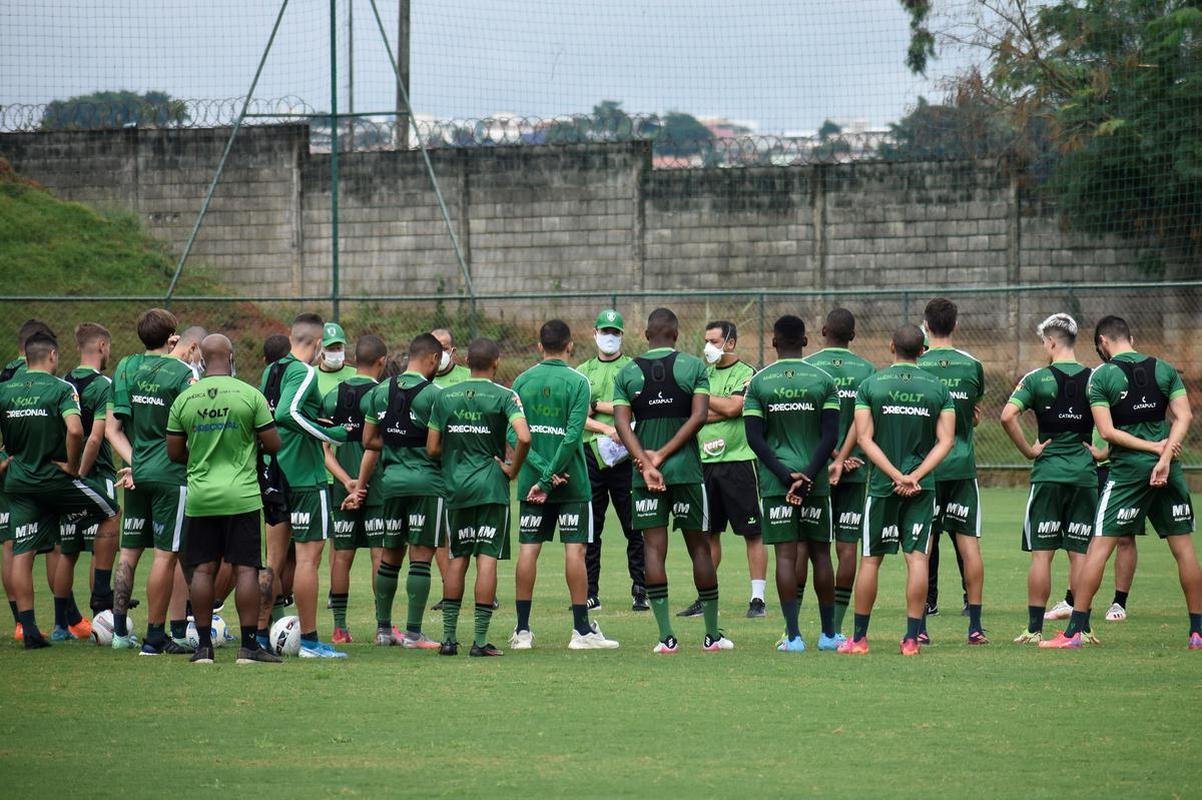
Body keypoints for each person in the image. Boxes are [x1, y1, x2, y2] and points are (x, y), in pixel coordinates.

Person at [1042, 316, 1200, 649]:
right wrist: (1165, 455)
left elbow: (1110, 432)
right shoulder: (1164, 369)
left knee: (1099, 548)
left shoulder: (1102, 376)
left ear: (1102, 341)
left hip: (1127, 474)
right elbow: (1184, 416)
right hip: (1169, 470)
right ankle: (1197, 633)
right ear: (1131, 336)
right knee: (1185, 552)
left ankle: (1074, 633)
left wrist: (1154, 450)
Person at [613, 308, 733, 654]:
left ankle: (666, 637)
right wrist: (663, 455)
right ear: (677, 335)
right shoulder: (693, 367)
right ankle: (712, 636)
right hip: (686, 473)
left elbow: (622, 425)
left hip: (644, 475)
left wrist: (645, 460)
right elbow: (698, 416)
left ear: (646, 335)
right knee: (700, 547)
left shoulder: (627, 373)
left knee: (653, 548)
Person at [166, 334, 284, 664]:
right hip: (242, 497)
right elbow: (273, 444)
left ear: (201, 360)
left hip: (201, 497)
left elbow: (174, 452)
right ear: (231, 357)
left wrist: (201, 455)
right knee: (246, 570)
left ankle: (203, 647)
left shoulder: (186, 399)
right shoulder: (249, 395)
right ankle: (248, 647)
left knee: (202, 571)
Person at [838, 324, 955, 656]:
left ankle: (859, 639)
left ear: (891, 347)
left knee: (871, 561)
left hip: (880, 486)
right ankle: (910, 640)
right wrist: (914, 475)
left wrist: (894, 476)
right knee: (917, 558)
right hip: (922, 486)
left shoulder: (871, 385)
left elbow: (863, 439)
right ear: (923, 351)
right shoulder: (937, 388)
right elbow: (946, 441)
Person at [0, 332, 119, 649]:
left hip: (18, 483)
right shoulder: (60, 388)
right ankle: (102, 598)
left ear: (25, 357)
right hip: (52, 479)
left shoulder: (5, 390)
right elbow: (76, 429)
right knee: (110, 513)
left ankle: (28, 630)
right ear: (52, 355)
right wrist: (71, 463)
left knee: (22, 554)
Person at [509, 320, 619, 650]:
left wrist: (541, 474)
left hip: (532, 480)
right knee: (576, 550)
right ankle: (581, 631)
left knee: (529, 550)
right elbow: (573, 435)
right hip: (570, 480)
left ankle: (523, 631)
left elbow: (514, 434)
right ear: (570, 345)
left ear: (539, 346)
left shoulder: (521, 381)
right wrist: (551, 475)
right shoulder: (578, 381)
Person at [427, 338, 530, 657]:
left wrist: (457, 451)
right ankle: (480, 641)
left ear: (467, 361)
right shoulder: (505, 396)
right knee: (486, 560)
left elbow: (432, 447)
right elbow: (524, 436)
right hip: (490, 487)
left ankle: (447, 639)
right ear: (497, 362)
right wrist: (512, 470)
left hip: (456, 486)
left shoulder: (444, 396)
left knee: (457, 559)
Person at [1001, 313, 1100, 645]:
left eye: (1044, 341)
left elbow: (1007, 415)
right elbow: (1118, 421)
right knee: (1080, 553)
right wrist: (1102, 451)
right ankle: (1080, 628)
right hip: (1085, 475)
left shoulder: (1037, 379)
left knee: (1042, 553)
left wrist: (1030, 450)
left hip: (1048, 475)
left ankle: (1033, 629)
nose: (1043, 346)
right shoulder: (1096, 379)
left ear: (1052, 342)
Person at [743, 315, 841, 652]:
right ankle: (829, 635)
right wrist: (810, 475)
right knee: (821, 555)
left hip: (776, 484)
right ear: (805, 341)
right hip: (815, 482)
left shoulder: (759, 382)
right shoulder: (823, 380)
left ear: (773, 342)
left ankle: (794, 637)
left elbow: (754, 439)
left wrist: (786, 477)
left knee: (786, 557)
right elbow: (831, 436)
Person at [255, 312, 350, 659]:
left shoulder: (272, 369)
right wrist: (331, 434)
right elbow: (286, 413)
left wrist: (315, 418)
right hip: (305, 479)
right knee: (309, 560)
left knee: (273, 560)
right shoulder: (305, 371)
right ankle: (309, 641)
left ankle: (260, 636)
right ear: (318, 342)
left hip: (273, 475)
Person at [105, 309, 198, 654]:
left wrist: (137, 463)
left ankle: (118, 633)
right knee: (166, 556)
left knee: (128, 552)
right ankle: (155, 639)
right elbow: (195, 429)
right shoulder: (183, 373)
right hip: (172, 476)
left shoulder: (125, 367)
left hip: (139, 474)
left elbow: (112, 429)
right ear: (173, 336)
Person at [355, 333, 446, 648]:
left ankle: (383, 630)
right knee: (421, 558)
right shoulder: (436, 395)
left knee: (390, 557)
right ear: (433, 359)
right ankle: (413, 633)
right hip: (426, 483)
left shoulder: (379, 392)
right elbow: (436, 448)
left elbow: (368, 440)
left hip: (391, 484)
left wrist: (397, 441)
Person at [917, 298, 988, 644]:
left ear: (926, 326)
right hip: (961, 467)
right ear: (955, 325)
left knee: (923, 546)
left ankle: (920, 629)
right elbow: (972, 410)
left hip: (925, 468)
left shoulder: (916, 365)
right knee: (969, 544)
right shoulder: (971, 366)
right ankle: (974, 626)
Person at [684, 320, 765, 620]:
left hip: (739, 462)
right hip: (704, 463)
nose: (708, 347)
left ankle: (757, 599)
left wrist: (705, 408)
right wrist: (711, 410)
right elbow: (692, 414)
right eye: (706, 340)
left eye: (714, 341)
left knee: (752, 533)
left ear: (730, 342)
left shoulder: (747, 373)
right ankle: (705, 597)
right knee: (708, 534)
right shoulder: (701, 374)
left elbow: (734, 408)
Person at [804, 308, 876, 639]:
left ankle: (796, 631)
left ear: (822, 331)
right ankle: (834, 629)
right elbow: (868, 424)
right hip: (856, 468)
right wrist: (845, 457)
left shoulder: (808, 368)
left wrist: (832, 455)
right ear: (853, 335)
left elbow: (807, 419)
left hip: (816, 469)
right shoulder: (868, 372)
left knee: (809, 547)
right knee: (847, 548)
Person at [54, 322, 122, 638]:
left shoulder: (63, 383)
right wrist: (79, 473)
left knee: (66, 548)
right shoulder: (103, 385)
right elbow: (95, 438)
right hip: (95, 475)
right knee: (103, 542)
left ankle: (60, 624)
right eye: (107, 347)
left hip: (64, 476)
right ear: (100, 346)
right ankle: (101, 610)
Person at [577, 310, 646, 611]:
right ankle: (590, 591)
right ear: (594, 333)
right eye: (604, 331)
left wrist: (597, 406)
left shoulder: (633, 369)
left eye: (615, 332)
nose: (609, 337)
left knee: (634, 526)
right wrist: (608, 425)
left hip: (624, 456)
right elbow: (577, 415)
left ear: (622, 335)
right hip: (591, 454)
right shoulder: (581, 371)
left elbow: (638, 407)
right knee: (592, 527)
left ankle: (641, 589)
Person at [322, 335, 387, 644]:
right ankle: (382, 627)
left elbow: (326, 451)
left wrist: (347, 482)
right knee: (379, 556)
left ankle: (339, 628)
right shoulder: (384, 395)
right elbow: (379, 447)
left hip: (342, 488)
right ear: (382, 362)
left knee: (341, 557)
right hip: (376, 487)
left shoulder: (333, 395)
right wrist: (361, 485)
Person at [1, 319, 60, 641]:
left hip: (15, 475)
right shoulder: (49, 382)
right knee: (55, 544)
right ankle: (68, 619)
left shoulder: (5, 379)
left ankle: (23, 623)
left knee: (15, 545)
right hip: (46, 472)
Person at [428, 327, 472, 612]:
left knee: (473, 531)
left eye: (444, 347)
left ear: (452, 350)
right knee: (440, 534)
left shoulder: (468, 378)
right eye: (435, 348)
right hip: (434, 466)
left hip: (468, 465)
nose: (440, 354)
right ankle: (449, 590)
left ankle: (485, 592)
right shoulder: (423, 380)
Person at [315, 322, 358, 399]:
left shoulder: (356, 374)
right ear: (320, 350)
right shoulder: (311, 375)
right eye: (331, 349)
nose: (336, 353)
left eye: (338, 348)